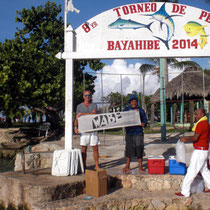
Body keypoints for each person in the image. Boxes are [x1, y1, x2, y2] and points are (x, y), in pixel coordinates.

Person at [175, 108, 210, 197]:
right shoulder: (206, 123)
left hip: (200, 150)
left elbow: (195, 138)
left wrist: (185, 139)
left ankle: (185, 191)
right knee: (204, 170)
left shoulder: (201, 124)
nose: (196, 116)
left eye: (198, 114)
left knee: (191, 170)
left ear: (202, 114)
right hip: (204, 149)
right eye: (196, 114)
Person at [121, 94, 147, 174]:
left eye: (135, 101)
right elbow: (121, 119)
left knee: (139, 149)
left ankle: (140, 166)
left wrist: (142, 123)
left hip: (138, 133)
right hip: (129, 133)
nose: (134, 102)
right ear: (130, 102)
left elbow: (145, 121)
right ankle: (127, 166)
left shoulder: (141, 110)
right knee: (128, 150)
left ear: (137, 102)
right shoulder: (126, 110)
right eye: (132, 101)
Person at [74, 90, 100, 170]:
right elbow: (77, 118)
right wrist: (75, 127)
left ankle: (96, 165)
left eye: (89, 95)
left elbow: (94, 114)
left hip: (93, 130)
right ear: (83, 96)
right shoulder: (79, 106)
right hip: (84, 130)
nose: (87, 97)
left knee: (95, 148)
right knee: (84, 148)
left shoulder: (94, 105)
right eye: (86, 95)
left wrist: (82, 114)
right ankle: (84, 165)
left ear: (91, 96)